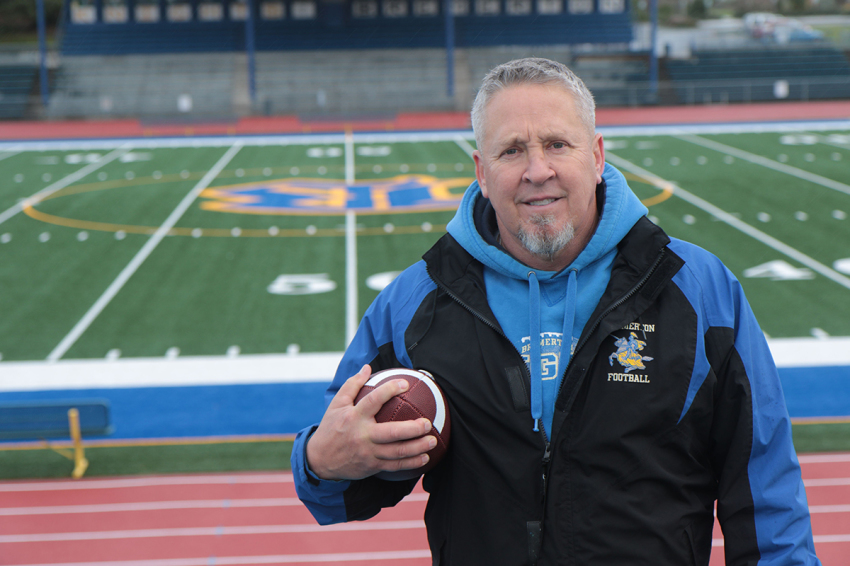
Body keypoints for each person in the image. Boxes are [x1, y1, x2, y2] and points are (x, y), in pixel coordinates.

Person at [292, 57, 821, 565]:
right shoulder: (416, 301)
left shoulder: (699, 289)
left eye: (556, 144)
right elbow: (335, 492)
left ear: (596, 157)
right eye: (511, 151)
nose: (537, 170)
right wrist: (322, 461)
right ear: (481, 170)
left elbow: (765, 492)